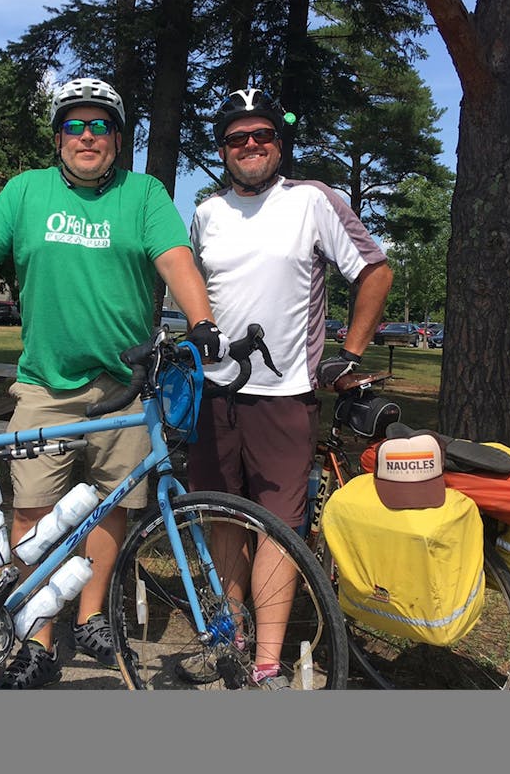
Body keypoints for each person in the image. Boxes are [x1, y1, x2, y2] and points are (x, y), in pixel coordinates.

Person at [0, 77, 221, 689]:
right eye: (74, 126)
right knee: (34, 511)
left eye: (99, 127)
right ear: (59, 137)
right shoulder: (25, 192)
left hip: (126, 383)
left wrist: (202, 322)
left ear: (116, 139)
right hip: (46, 385)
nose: (87, 137)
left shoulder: (143, 194)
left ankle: (92, 616)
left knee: (116, 503)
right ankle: (34, 636)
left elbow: (175, 259)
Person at [182, 87, 392, 689]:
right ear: (223, 149)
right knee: (223, 515)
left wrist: (347, 353)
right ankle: (230, 636)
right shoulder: (206, 211)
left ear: (279, 143)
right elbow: (196, 289)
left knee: (278, 523)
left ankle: (269, 661)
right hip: (212, 392)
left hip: (285, 391)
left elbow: (375, 270)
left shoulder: (313, 200)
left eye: (262, 136)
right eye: (237, 138)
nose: (250, 146)